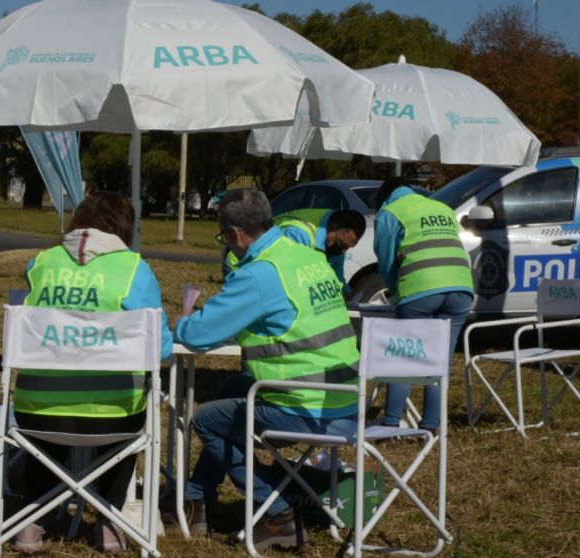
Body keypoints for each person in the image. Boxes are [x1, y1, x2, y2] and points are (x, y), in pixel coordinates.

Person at [174, 189, 360, 549]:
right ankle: (197, 497)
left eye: (223, 238)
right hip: (345, 399)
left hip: (304, 407)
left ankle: (276, 511)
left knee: (207, 421)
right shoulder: (307, 256)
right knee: (231, 389)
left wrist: (180, 324)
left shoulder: (260, 274)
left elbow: (198, 334)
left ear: (235, 234)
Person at [13, 192, 173, 555]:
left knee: (45, 441)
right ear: (125, 229)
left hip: (37, 409)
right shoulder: (134, 270)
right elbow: (160, 349)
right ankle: (108, 522)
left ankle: (29, 523)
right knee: (124, 433)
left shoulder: (41, 263)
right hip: (111, 414)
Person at [373, 177, 474, 432]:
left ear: (385, 197)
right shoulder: (442, 208)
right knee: (440, 360)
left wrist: (396, 290)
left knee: (405, 356)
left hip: (420, 288)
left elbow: (385, 261)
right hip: (461, 286)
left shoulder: (390, 212)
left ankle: (391, 423)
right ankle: (430, 425)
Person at [223, 209, 366, 298]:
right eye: (341, 245)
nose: (343, 252)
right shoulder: (299, 234)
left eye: (349, 247)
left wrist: (347, 293)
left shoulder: (336, 240)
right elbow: (287, 277)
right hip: (241, 263)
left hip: (265, 272)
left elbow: (336, 273)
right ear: (332, 227)